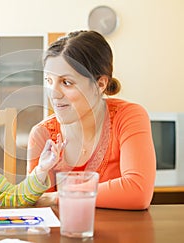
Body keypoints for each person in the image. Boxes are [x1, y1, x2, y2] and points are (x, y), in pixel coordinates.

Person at [27, 30, 156, 210]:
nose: (53, 94)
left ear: (100, 84)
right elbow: (40, 205)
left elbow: (137, 191)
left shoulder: (128, 116)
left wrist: (59, 196)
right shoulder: (42, 133)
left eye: (66, 82)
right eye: (49, 81)